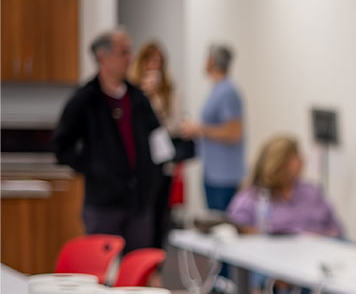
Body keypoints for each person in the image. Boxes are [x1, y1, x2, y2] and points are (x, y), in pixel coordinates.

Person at [53, 28, 164, 251]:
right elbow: (61, 146)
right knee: (101, 268)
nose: (129, 58)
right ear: (103, 56)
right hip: (103, 203)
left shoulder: (137, 98)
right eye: (123, 52)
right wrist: (93, 166)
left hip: (138, 203)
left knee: (137, 270)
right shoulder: (85, 99)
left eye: (130, 52)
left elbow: (158, 141)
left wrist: (153, 177)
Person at [225, 134, 343, 237]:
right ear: (278, 163)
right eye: (294, 157)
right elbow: (234, 233)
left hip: (316, 256)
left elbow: (337, 230)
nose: (302, 160)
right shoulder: (251, 199)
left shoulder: (312, 193)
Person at [131, 39, 186, 248]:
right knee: (141, 212)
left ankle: (157, 257)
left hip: (163, 162)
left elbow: (174, 125)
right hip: (140, 163)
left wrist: (156, 100)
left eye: (158, 61)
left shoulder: (170, 90)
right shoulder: (133, 91)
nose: (154, 66)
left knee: (161, 211)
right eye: (149, 60)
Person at [181, 43, 244, 212]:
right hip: (213, 172)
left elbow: (234, 132)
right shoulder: (217, 89)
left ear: (212, 61)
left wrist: (199, 129)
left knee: (222, 224)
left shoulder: (228, 91)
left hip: (224, 177)